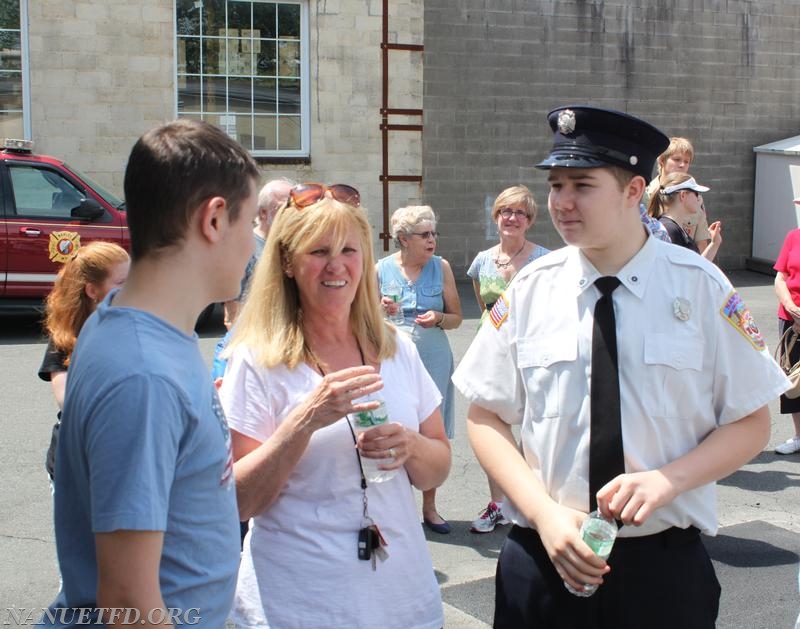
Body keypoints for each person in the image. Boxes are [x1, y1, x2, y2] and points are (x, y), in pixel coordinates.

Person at [452, 105, 789, 629]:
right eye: (556, 185)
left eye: (582, 185)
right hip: (544, 555)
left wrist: (668, 481)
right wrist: (542, 515)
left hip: (660, 567)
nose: (562, 203)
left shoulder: (701, 288)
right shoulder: (530, 289)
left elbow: (751, 421)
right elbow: (484, 416)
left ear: (634, 190)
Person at [42, 119, 260, 627]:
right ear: (214, 219)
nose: (253, 246)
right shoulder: (144, 376)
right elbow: (128, 602)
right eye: (250, 224)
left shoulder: (129, 312)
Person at [218, 183, 450, 628]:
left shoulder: (396, 348)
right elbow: (238, 502)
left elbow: (437, 468)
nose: (337, 265)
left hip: (405, 602)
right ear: (287, 262)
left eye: (350, 249)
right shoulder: (256, 358)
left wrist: (412, 447)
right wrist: (304, 420)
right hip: (300, 606)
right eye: (318, 251)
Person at [466, 185, 549, 533]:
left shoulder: (544, 259)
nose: (511, 218)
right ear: (496, 216)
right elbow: (485, 307)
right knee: (493, 428)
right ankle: (499, 503)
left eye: (519, 213)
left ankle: (537, 500)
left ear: (529, 220)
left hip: (533, 350)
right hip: (492, 352)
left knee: (535, 429)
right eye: (505, 211)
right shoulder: (483, 260)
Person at [376, 205, 462, 534]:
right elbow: (362, 319)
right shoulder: (380, 270)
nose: (432, 240)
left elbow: (455, 317)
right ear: (403, 239)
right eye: (424, 235)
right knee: (392, 427)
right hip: (392, 357)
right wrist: (381, 310)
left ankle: (430, 508)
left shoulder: (441, 268)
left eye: (434, 233)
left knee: (432, 432)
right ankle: (395, 509)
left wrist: (438, 318)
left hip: (434, 355)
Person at [38, 241, 130, 481]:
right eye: (121, 283)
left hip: (125, 461)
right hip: (75, 464)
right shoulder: (64, 338)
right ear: (92, 291)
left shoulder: (134, 329)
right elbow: (68, 401)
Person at [211, 177, 294, 385]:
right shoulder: (244, 249)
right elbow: (232, 317)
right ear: (263, 213)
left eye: (294, 206)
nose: (291, 213)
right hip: (254, 349)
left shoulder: (293, 246)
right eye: (283, 207)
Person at [645, 136, 711, 251]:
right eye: (677, 160)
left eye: (686, 161)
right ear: (661, 161)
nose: (682, 165)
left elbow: (701, 242)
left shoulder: (694, 198)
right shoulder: (645, 194)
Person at [646, 172, 722, 261]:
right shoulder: (670, 230)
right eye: (696, 193)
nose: (699, 198)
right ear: (683, 195)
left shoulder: (674, 227)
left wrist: (715, 243)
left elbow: (695, 268)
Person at [773, 222, 800, 454]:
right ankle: (799, 436)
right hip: (791, 319)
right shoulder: (793, 237)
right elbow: (781, 278)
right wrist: (791, 307)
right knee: (793, 377)